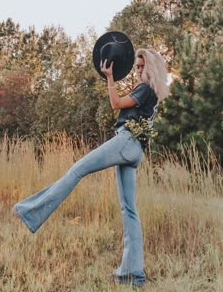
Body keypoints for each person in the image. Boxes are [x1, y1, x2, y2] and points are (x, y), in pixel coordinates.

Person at [13, 43, 168, 287]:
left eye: (141, 66)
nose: (137, 70)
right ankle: (133, 275)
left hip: (126, 142)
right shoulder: (154, 93)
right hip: (135, 149)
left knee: (77, 169)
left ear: (152, 68)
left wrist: (109, 78)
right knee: (129, 209)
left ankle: (30, 211)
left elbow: (115, 103)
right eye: (137, 66)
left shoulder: (144, 89)